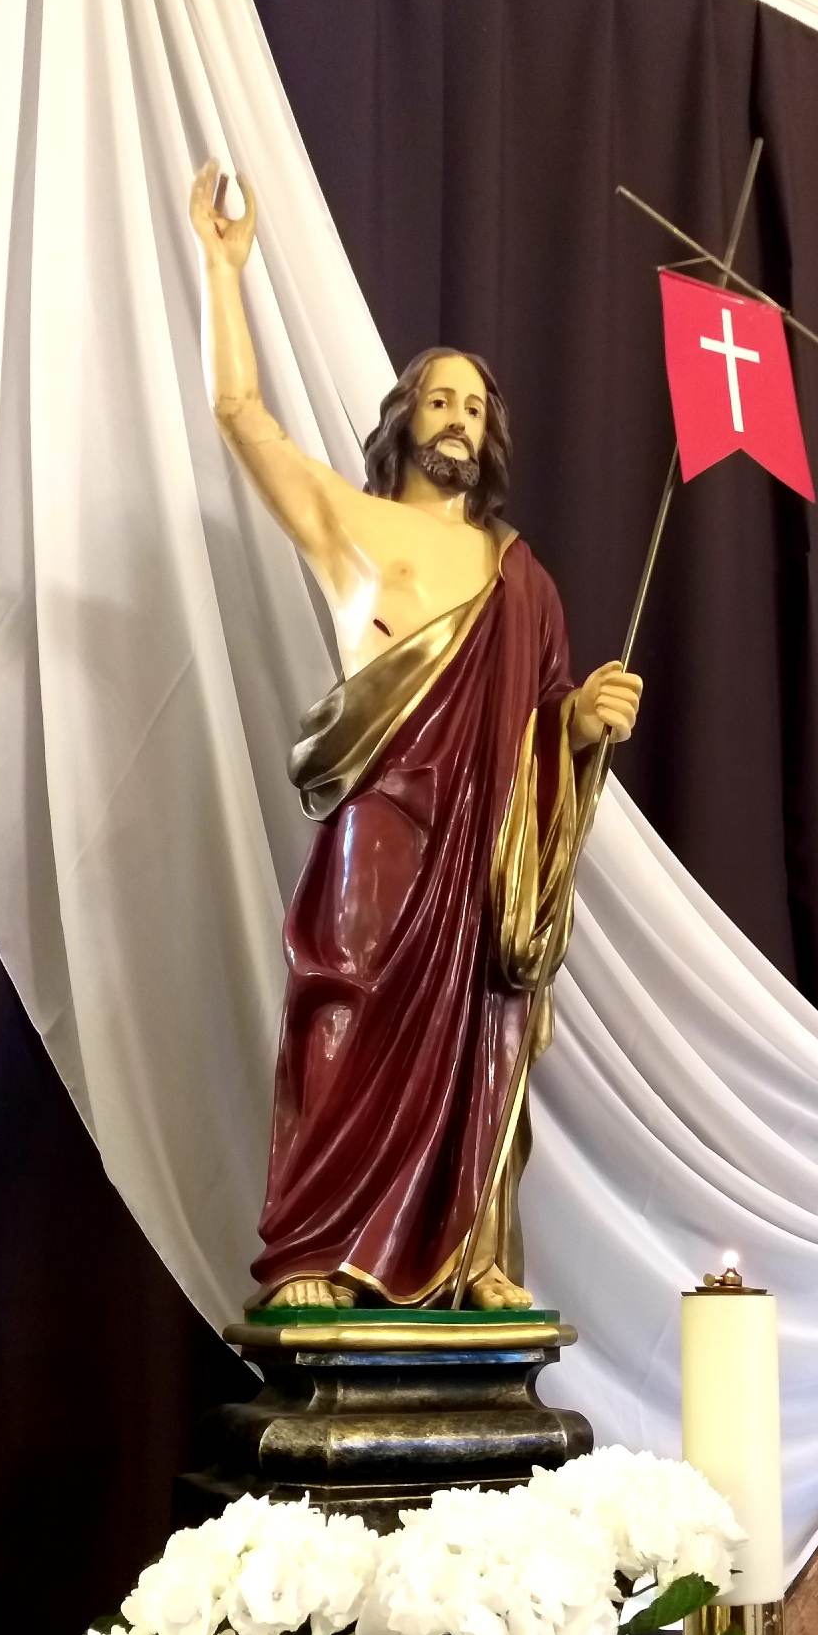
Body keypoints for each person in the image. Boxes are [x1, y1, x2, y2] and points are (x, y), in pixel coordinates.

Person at [190, 161, 640, 1310]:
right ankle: (313, 1250)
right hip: (385, 826)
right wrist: (224, 271)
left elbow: (541, 723)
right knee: (342, 1004)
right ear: (405, 416)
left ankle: (470, 1251)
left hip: (482, 846)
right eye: (441, 400)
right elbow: (240, 416)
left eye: (475, 408)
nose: (458, 420)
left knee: (483, 1025)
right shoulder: (357, 524)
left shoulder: (522, 579)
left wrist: (580, 724)